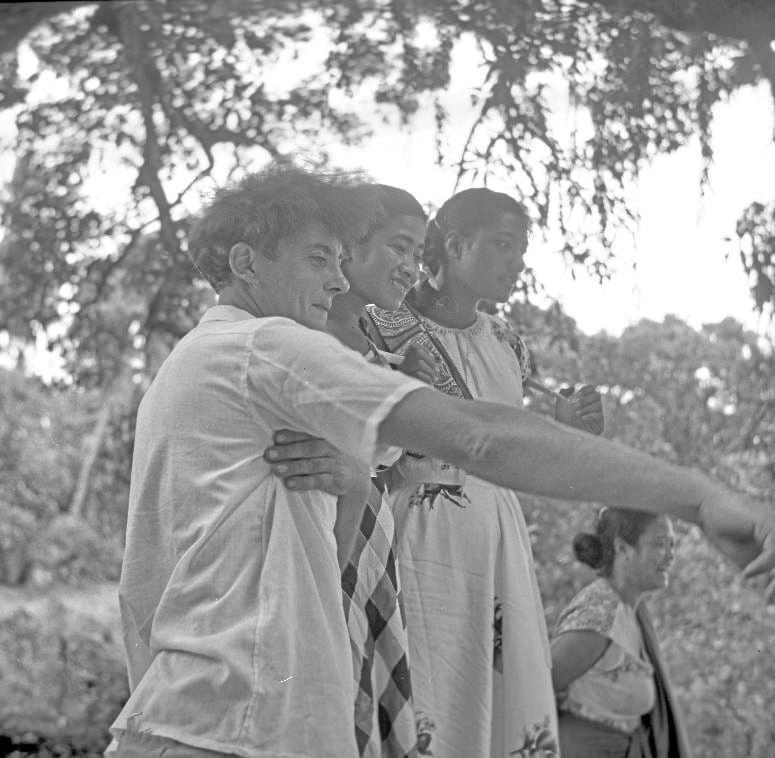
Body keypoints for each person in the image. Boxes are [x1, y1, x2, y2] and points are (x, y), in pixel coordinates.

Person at [108, 165, 775, 758]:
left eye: (341, 260)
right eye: (318, 259)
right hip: (236, 731)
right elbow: (478, 437)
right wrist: (696, 497)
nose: (339, 280)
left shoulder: (185, 377)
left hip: (198, 720)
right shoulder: (263, 345)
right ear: (245, 262)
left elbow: (143, 592)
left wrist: (351, 482)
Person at [362, 187, 602, 756]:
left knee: (490, 699)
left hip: (495, 539)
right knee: (423, 686)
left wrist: (568, 428)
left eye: (521, 249)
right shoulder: (381, 326)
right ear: (453, 244)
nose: (516, 261)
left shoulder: (507, 343)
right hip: (415, 537)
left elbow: (516, 455)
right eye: (502, 245)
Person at [268, 184, 434, 758]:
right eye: (399, 248)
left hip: (369, 540)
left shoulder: (370, 345)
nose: (411, 269)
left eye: (417, 255)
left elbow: (378, 472)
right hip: (327, 544)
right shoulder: (305, 341)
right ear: (351, 246)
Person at [551, 509, 692, 758]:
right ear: (623, 548)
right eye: (660, 544)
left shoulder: (631, 612)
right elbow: (536, 685)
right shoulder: (599, 613)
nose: (671, 555)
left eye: (673, 544)